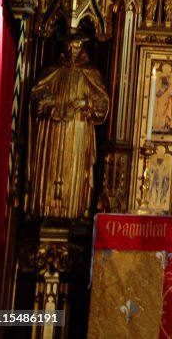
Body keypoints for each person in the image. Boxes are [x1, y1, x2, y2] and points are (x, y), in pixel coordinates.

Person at [27, 39, 111, 220]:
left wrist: (85, 102)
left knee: (73, 173)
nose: (73, 50)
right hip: (53, 132)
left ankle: (74, 210)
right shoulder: (54, 70)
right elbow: (36, 94)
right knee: (50, 170)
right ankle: (44, 208)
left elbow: (102, 103)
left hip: (77, 132)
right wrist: (49, 103)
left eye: (77, 46)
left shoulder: (90, 73)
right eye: (70, 46)